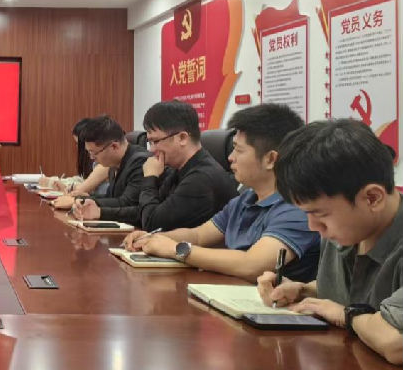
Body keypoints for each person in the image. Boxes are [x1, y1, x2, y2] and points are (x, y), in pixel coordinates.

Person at [256, 120, 403, 365]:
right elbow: (359, 288)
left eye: (320, 214)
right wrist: (303, 290)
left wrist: (346, 315)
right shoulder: (347, 230)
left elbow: (395, 342)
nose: (313, 227)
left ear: (372, 198)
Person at [123, 104, 320, 282]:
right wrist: (155, 238)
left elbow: (252, 265)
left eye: (238, 150)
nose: (230, 157)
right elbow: (199, 235)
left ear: (270, 159)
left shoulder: (297, 208)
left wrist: (175, 249)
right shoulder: (246, 199)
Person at [76, 101, 237, 230]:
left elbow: (152, 223)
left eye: (155, 141)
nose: (152, 150)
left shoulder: (200, 178)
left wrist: (150, 178)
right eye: (150, 142)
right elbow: (144, 210)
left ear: (182, 138)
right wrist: (100, 212)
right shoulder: (178, 169)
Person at [60, 115, 151, 225]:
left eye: (94, 153)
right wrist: (84, 199)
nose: (91, 158)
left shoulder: (140, 162)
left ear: (114, 146)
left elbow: (126, 203)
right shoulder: (114, 163)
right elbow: (111, 197)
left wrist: (87, 203)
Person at [43, 118, 111, 208]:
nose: (77, 148)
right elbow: (84, 186)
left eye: (78, 144)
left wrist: (69, 189)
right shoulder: (97, 163)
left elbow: (82, 189)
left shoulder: (105, 164)